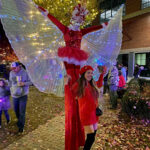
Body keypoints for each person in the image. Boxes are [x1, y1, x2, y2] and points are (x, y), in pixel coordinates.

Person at [36, 4, 108, 150]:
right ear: (73, 17)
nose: (78, 21)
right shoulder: (65, 29)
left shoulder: (81, 31)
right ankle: (73, 139)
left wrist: (104, 25)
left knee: (81, 94)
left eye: (81, 19)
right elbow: (55, 21)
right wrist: (46, 12)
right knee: (71, 99)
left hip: (78, 67)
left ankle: (82, 134)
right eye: (77, 17)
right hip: (69, 66)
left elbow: (92, 29)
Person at [64, 65, 106, 150]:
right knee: (90, 137)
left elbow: (99, 84)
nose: (90, 74)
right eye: (88, 73)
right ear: (83, 74)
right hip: (86, 114)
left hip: (94, 113)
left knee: (93, 136)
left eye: (91, 73)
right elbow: (70, 94)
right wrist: (66, 83)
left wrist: (101, 74)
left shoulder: (92, 83)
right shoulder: (79, 84)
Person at [9, 62, 32, 133]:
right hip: (15, 95)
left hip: (23, 95)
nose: (13, 70)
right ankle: (20, 120)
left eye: (15, 68)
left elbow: (31, 82)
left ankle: (21, 127)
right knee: (16, 111)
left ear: (19, 66)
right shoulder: (11, 72)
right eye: (12, 68)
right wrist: (10, 89)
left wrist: (24, 83)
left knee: (22, 112)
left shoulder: (25, 72)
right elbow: (10, 82)